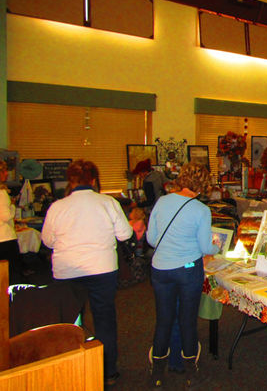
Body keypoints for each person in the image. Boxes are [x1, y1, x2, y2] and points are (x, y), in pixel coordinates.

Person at [41, 160, 132, 386]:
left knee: (69, 322)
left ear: (70, 181)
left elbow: (47, 241)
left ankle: (71, 368)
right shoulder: (107, 202)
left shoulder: (57, 207)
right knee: (104, 320)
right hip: (102, 269)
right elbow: (125, 234)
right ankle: (108, 371)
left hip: (67, 271)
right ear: (93, 180)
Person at [147, 162, 219, 388]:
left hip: (161, 271)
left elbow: (151, 239)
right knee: (187, 321)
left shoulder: (162, 201)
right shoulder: (201, 210)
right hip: (188, 272)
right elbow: (206, 248)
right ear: (203, 185)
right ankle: (191, 373)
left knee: (164, 321)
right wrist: (216, 244)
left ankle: (157, 373)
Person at [0, 161, 21, 284]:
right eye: (4, 171)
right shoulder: (2, 193)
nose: (7, 173)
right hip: (5, 239)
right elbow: (6, 216)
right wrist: (12, 206)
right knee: (10, 276)